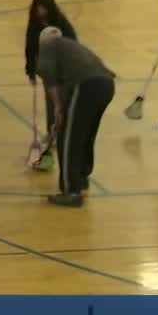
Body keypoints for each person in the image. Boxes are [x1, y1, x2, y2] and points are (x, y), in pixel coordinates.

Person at [36, 26, 115, 207]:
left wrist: (57, 108)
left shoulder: (48, 47)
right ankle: (81, 176)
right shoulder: (71, 47)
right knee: (86, 134)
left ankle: (71, 191)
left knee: (68, 139)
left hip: (86, 85)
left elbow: (50, 79)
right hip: (106, 85)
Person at [24, 0, 77, 172]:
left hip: (64, 68)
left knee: (62, 102)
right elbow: (30, 48)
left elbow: (73, 42)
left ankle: (63, 132)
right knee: (51, 102)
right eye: (38, 7)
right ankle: (53, 133)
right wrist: (30, 70)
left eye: (44, 7)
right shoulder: (34, 25)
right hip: (47, 68)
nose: (41, 11)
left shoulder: (61, 23)